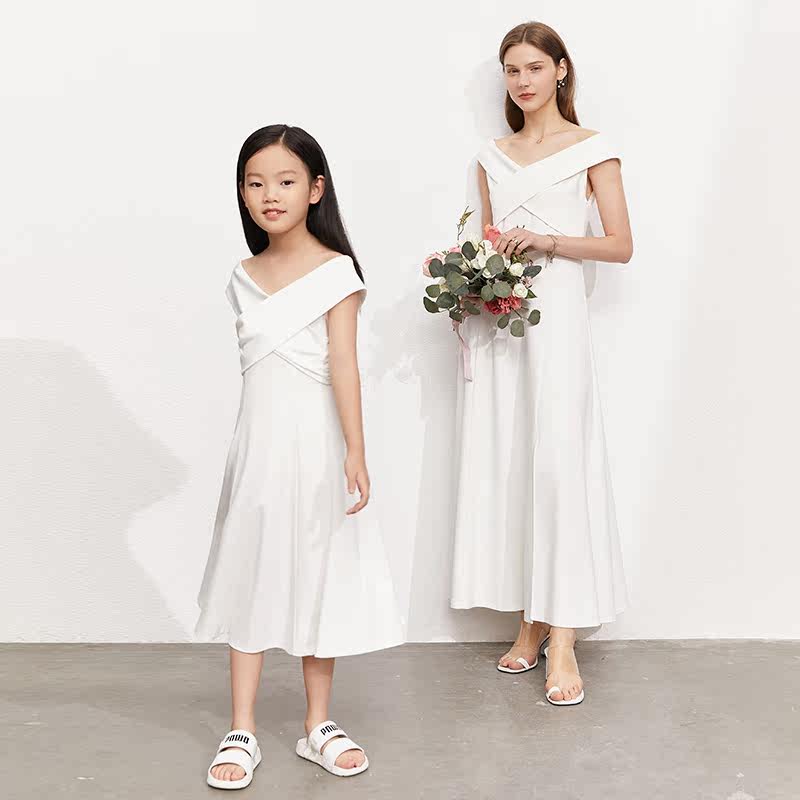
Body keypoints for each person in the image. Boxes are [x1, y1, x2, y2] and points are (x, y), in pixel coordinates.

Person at [194, 124, 404, 789]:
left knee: (320, 570)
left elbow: (343, 364)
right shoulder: (242, 276)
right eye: (255, 183)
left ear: (315, 189)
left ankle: (318, 724)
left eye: (285, 181)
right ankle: (242, 728)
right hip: (258, 447)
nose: (270, 195)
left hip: (317, 447)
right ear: (242, 193)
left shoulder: (337, 272)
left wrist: (356, 450)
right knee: (251, 567)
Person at [450, 21, 632, 706]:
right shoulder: (491, 158)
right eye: (511, 70)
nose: (522, 81)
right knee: (515, 463)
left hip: (559, 327)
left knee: (559, 464)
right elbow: (490, 241)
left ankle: (563, 639)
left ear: (560, 70)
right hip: (505, 329)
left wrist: (549, 242)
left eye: (533, 67)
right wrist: (471, 280)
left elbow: (620, 245)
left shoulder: (593, 149)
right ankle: (530, 618)